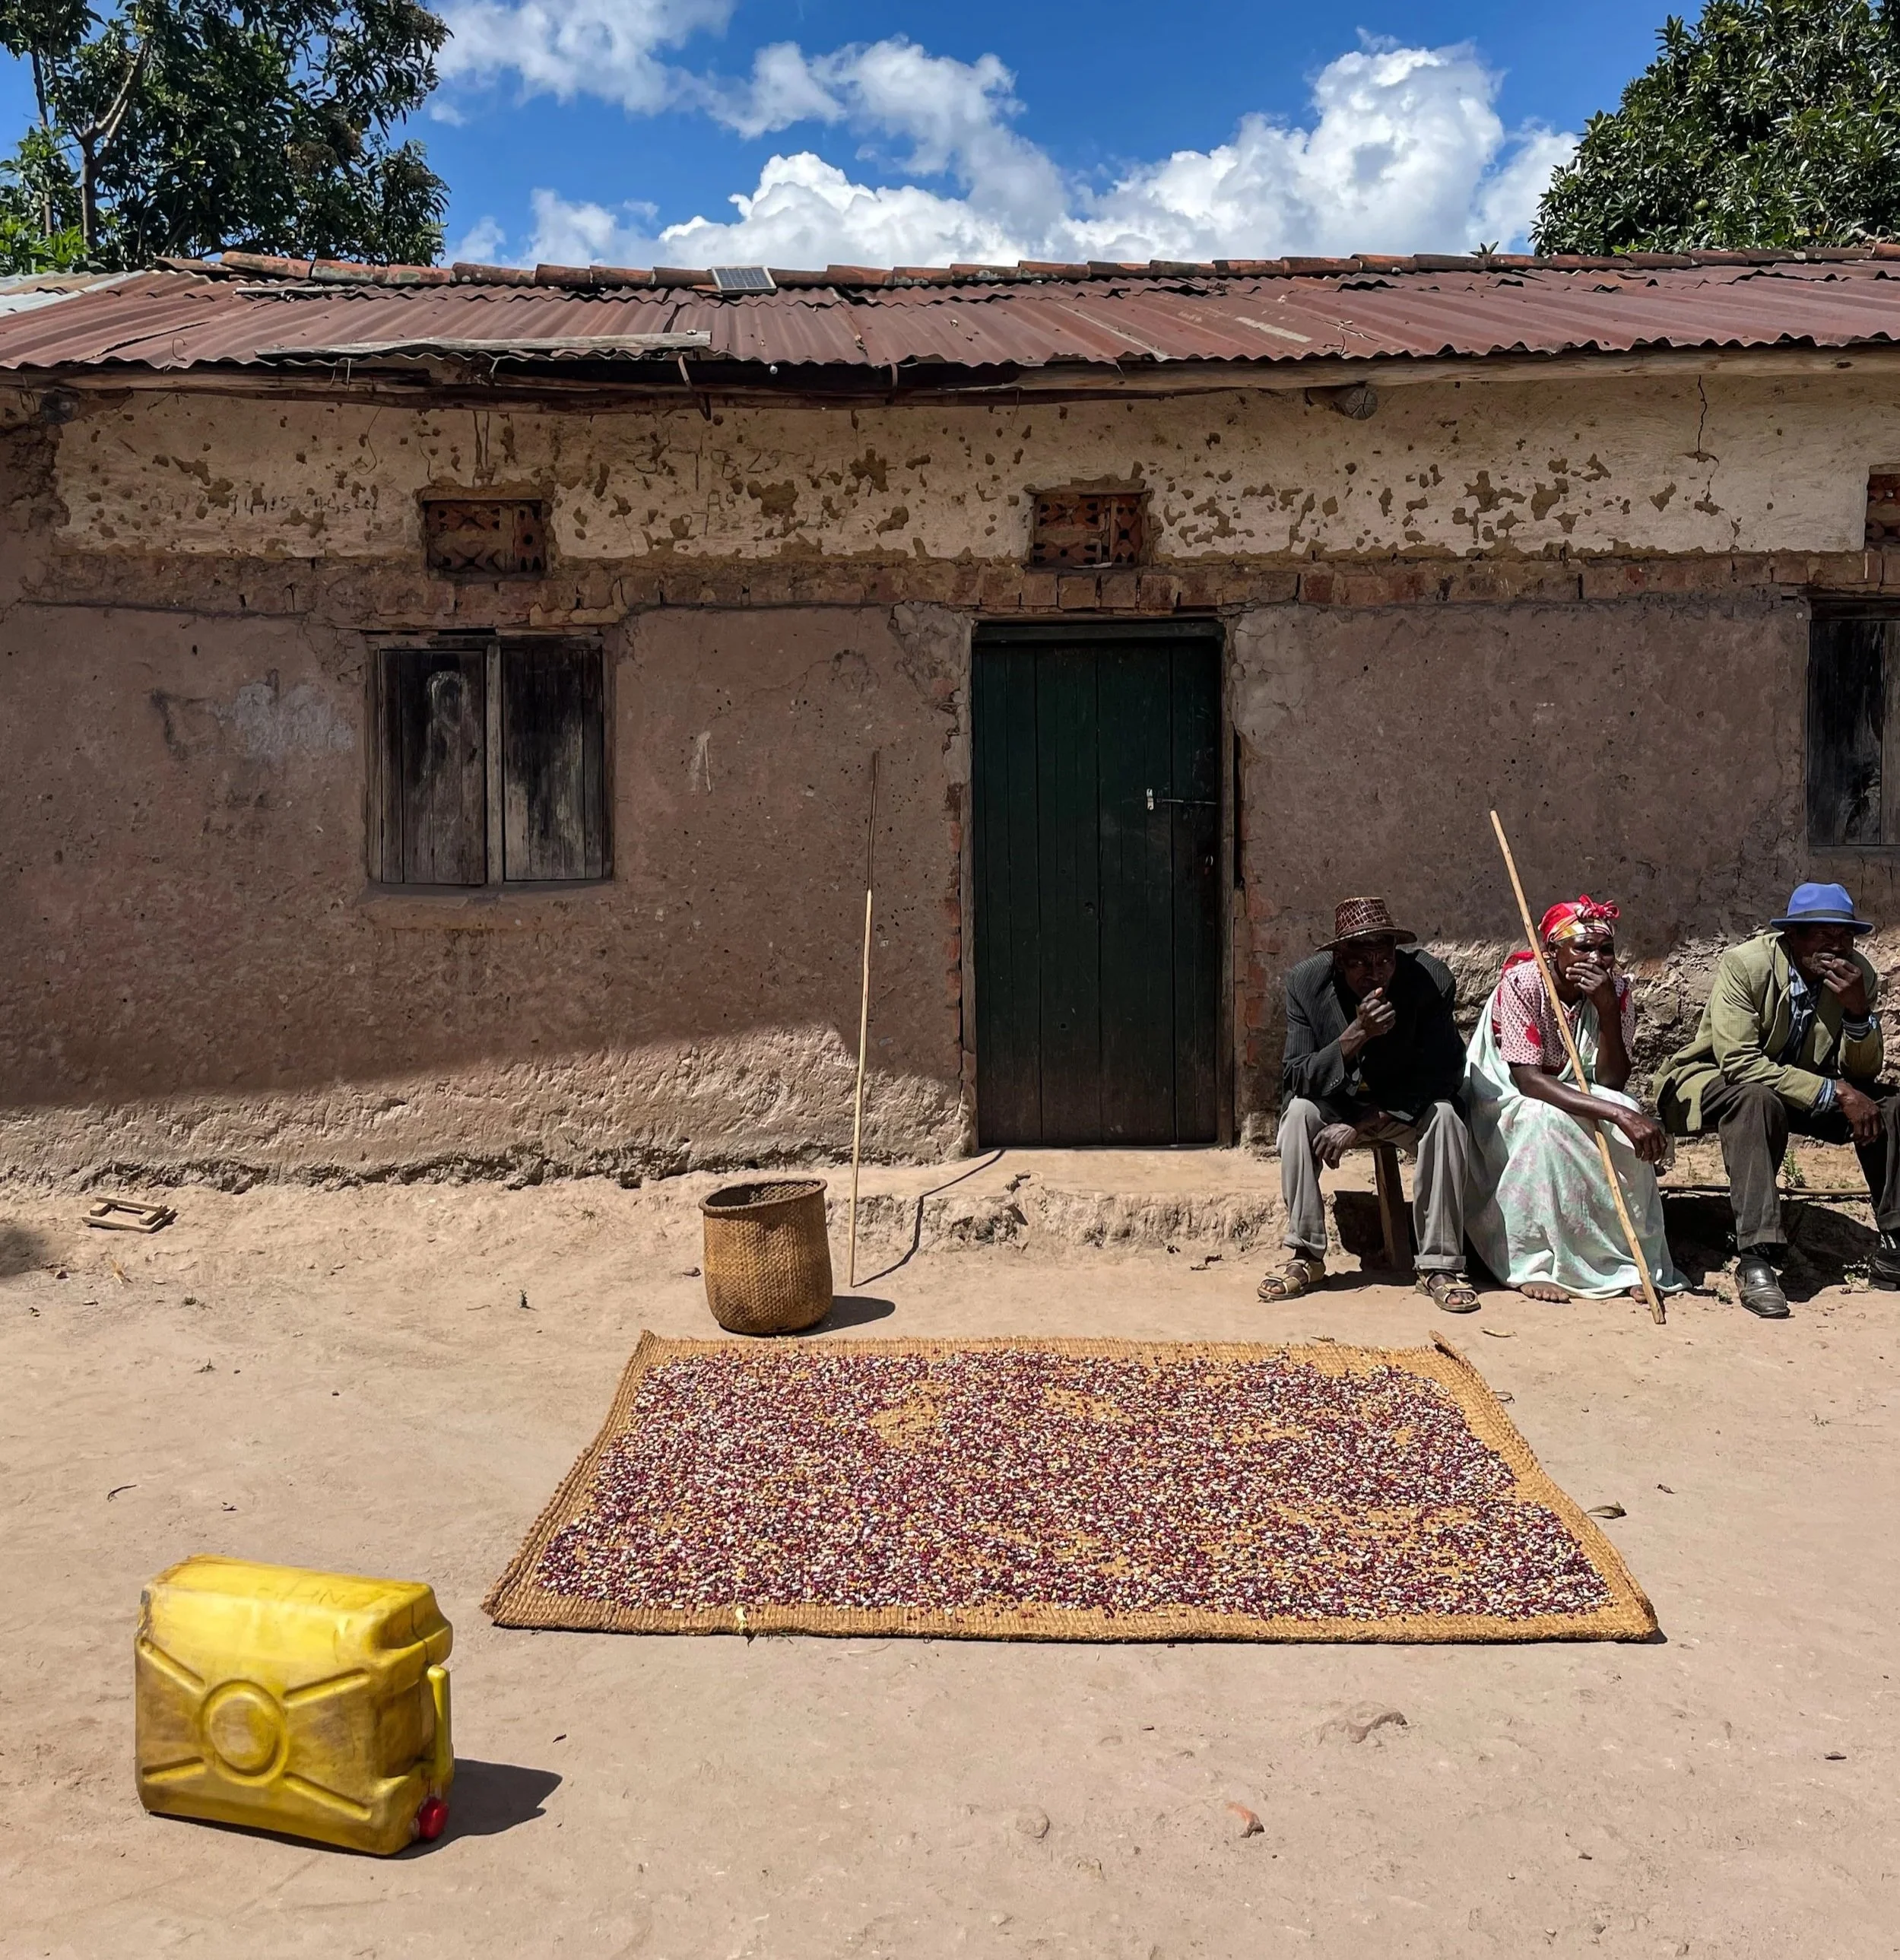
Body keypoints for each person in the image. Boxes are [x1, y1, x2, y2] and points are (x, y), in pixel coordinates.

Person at [1654, 880, 1900, 1318]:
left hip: (1797, 1089)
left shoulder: (1856, 975)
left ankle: (1895, 1245)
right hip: (1712, 1083)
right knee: (1756, 1100)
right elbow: (1738, 1061)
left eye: (1845, 936)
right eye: (1825, 936)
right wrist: (1833, 1090)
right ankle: (1757, 1257)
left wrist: (1859, 1013)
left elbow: (1862, 1073)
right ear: (1793, 936)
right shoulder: (1746, 966)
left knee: (1889, 1106)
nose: (1838, 947)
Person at [1261, 896, 1480, 1312]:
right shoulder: (1306, 984)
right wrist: (1356, 1033)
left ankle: (1439, 1265)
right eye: (1361, 962)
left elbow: (1445, 1075)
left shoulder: (1429, 980)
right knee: (1296, 1117)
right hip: (1334, 1104)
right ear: (1339, 961)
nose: (1375, 973)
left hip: (1402, 1107)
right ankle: (1305, 1255)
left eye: (1384, 961)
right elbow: (1298, 1077)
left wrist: (1360, 1124)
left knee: (1447, 1118)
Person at [1463, 896, 1684, 1303]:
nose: (1596, 959)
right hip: (1507, 1094)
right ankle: (1533, 1262)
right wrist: (1616, 1112)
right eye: (1582, 948)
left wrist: (1607, 1010)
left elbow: (1612, 1079)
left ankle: (1629, 1262)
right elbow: (1529, 1082)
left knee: (1629, 1121)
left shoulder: (1616, 990)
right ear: (1552, 951)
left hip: (1580, 1089)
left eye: (1606, 949)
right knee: (1541, 1123)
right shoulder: (1523, 983)